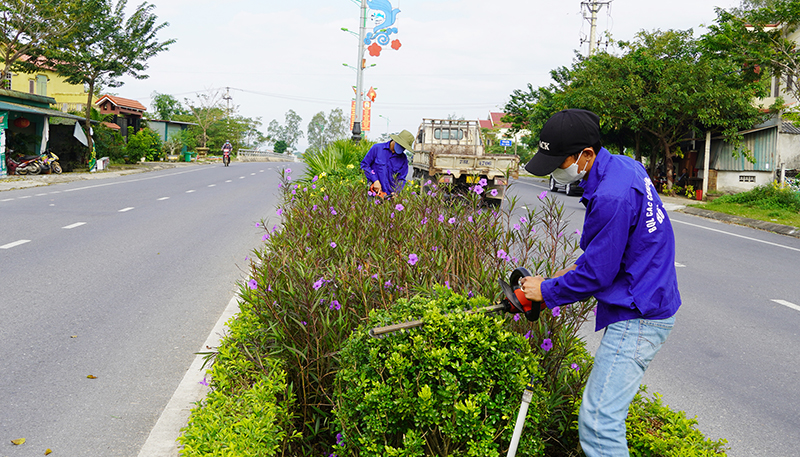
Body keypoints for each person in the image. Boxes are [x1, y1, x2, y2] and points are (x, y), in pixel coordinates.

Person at [520, 109, 681, 457]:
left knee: (599, 422)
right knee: (603, 416)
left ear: (586, 155)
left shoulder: (611, 195)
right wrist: (564, 275)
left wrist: (545, 292)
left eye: (559, 162)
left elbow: (597, 275)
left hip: (639, 313)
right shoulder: (624, 167)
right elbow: (613, 247)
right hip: (649, 296)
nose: (557, 171)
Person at [360, 130, 415, 198]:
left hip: (389, 197)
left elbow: (401, 178)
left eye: (404, 147)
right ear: (395, 140)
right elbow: (364, 165)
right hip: (374, 193)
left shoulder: (403, 159)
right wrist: (375, 180)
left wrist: (396, 192)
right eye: (401, 145)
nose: (402, 148)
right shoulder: (377, 149)